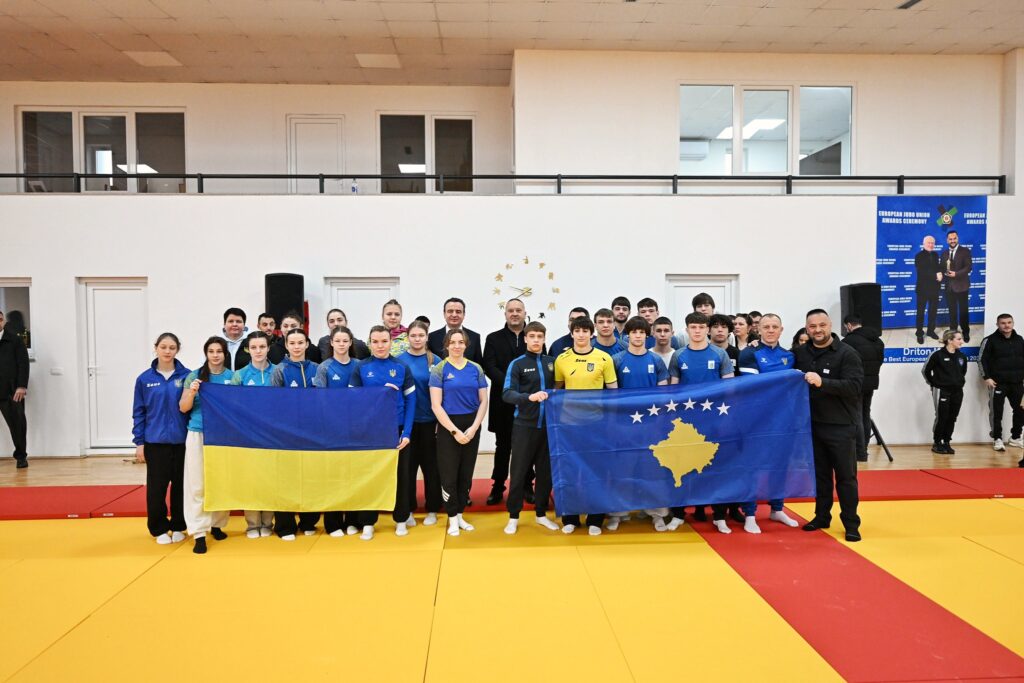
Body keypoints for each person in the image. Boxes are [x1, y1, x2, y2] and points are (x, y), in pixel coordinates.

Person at [793, 309, 863, 543]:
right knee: (820, 476)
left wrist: (823, 382)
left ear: (830, 325)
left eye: (822, 325)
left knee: (846, 478)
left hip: (841, 426)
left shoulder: (847, 353)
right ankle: (822, 517)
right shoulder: (800, 353)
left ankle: (851, 523)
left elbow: (854, 387)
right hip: (812, 426)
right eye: (812, 326)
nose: (817, 330)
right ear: (807, 328)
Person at [667, 312, 735, 532]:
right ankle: (678, 514)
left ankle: (719, 516)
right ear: (687, 330)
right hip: (686, 423)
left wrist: (724, 418)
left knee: (716, 468)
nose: (697, 331)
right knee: (681, 466)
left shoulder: (720, 354)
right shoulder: (678, 355)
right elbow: (673, 390)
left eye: (701, 327)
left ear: (707, 329)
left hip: (714, 420)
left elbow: (729, 389)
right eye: (693, 327)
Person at [350, 325, 415, 539]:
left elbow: (411, 401)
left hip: (396, 429)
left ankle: (401, 519)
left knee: (401, 475)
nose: (380, 346)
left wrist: (407, 433)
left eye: (384, 341)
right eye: (375, 341)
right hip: (370, 430)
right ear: (370, 343)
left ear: (391, 342)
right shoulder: (361, 367)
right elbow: (353, 401)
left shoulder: (401, 367)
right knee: (370, 475)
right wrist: (379, 393)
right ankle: (368, 522)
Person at [554, 316, 617, 535]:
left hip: (596, 424)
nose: (581, 335)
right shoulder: (562, 359)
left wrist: (610, 422)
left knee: (596, 473)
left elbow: (613, 393)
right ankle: (570, 518)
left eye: (585, 331)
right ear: (571, 333)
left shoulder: (604, 358)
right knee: (570, 472)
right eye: (577, 331)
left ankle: (595, 519)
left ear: (592, 333)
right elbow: (557, 391)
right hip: (569, 424)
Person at [737, 313, 800, 532]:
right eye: (766, 327)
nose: (771, 330)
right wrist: (784, 380)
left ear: (781, 330)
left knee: (780, 465)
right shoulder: (749, 353)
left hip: (783, 419)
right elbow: (753, 387)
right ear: (758, 330)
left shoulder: (789, 356)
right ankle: (750, 514)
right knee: (753, 466)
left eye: (775, 327)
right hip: (756, 420)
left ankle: (777, 509)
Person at [609, 316, 670, 531]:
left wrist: (660, 422)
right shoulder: (617, 360)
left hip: (651, 425)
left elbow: (664, 394)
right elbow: (610, 394)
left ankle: (657, 513)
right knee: (622, 469)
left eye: (641, 332)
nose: (637, 336)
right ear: (627, 335)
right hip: (624, 424)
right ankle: (618, 513)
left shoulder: (656, 361)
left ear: (647, 335)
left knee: (653, 470)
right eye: (633, 332)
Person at [503, 321, 561, 534]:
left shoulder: (552, 362)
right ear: (526, 339)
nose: (536, 340)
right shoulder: (517, 364)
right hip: (524, 427)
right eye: (532, 336)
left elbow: (561, 387)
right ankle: (513, 517)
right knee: (518, 472)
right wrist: (529, 397)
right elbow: (507, 393)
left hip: (548, 428)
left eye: (540, 336)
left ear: (544, 339)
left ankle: (541, 514)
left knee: (545, 473)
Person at [132, 332, 190, 544]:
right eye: (163, 347)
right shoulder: (144, 379)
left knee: (181, 487)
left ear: (177, 350)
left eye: (172, 348)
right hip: (155, 443)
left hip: (182, 442)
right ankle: (158, 528)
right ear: (156, 348)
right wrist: (139, 443)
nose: (167, 351)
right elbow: (139, 412)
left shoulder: (187, 376)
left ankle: (179, 525)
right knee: (156, 488)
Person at [429, 328, 488, 537]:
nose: (457, 346)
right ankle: (452, 517)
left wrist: (474, 428)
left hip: (471, 425)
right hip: (449, 427)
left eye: (460, 342)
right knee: (449, 474)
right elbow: (436, 405)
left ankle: (461, 514)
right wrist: (455, 431)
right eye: (452, 342)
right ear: (446, 345)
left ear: (466, 345)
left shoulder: (476, 368)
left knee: (466, 474)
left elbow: (484, 401)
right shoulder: (439, 369)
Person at [178, 336, 234, 554]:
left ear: (225, 354)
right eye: (211, 351)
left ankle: (217, 524)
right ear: (206, 353)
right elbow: (183, 407)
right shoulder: (194, 376)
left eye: (219, 351)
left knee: (221, 482)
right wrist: (192, 392)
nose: (215, 355)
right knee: (197, 483)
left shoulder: (232, 377)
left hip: (223, 435)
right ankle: (199, 532)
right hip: (198, 432)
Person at [313, 325, 364, 536]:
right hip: (332, 430)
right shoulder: (324, 368)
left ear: (350, 343)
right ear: (331, 343)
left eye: (345, 341)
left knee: (353, 475)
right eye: (338, 341)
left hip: (355, 429)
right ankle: (333, 523)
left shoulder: (359, 365)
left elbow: (366, 397)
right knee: (333, 476)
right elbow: (319, 401)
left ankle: (353, 520)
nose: (341, 344)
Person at [270, 329, 321, 539]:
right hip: (287, 434)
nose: (297, 347)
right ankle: (285, 526)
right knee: (286, 480)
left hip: (312, 432)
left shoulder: (317, 369)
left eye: (301, 342)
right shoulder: (279, 370)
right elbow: (274, 404)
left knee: (311, 477)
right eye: (292, 343)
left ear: (307, 344)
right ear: (286, 345)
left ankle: (309, 521)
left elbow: (324, 401)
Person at [482, 298, 531, 506]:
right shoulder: (493, 338)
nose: (514, 313)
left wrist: (524, 391)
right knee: (502, 446)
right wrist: (512, 386)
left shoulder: (533, 335)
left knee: (527, 446)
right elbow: (489, 367)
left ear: (524, 313)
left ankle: (527, 485)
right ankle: (498, 486)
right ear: (505, 314)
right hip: (502, 401)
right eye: (511, 310)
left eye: (518, 310)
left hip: (528, 402)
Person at [229, 331, 276, 538]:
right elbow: (232, 405)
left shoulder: (278, 372)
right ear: (248, 349)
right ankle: (252, 524)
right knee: (251, 479)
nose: (258, 351)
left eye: (262, 347)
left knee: (270, 478)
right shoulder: (240, 375)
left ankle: (268, 522)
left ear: (268, 348)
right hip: (248, 436)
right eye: (254, 347)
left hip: (273, 436)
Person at [398, 320, 442, 525]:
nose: (417, 339)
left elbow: (443, 394)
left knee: (431, 467)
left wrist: (440, 421)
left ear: (427, 337)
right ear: (407, 337)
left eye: (421, 335)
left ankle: (433, 508)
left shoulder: (436, 361)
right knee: (407, 468)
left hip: (430, 421)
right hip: (406, 423)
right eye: (413, 336)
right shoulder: (399, 361)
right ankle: (408, 509)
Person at [978, 313, 1024, 456]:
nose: (1006, 325)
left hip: (1017, 383)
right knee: (996, 412)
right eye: (1003, 323)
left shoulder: (1020, 339)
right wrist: (987, 377)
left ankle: (1015, 437)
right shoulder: (989, 340)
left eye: (1009, 322)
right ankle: (997, 438)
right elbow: (981, 360)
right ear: (998, 324)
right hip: (997, 383)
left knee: (1021, 410)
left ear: (1013, 323)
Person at [843, 314, 884, 462]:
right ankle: (864, 448)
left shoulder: (848, 341)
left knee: (857, 416)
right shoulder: (878, 340)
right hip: (871, 382)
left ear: (848, 325)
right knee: (865, 414)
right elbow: (880, 361)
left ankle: (860, 452)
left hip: (855, 383)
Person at [922, 330, 968, 455]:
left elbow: (962, 372)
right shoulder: (937, 355)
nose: (962, 342)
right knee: (942, 417)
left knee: (952, 417)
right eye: (959, 339)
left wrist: (956, 382)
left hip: (957, 391)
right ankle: (937, 442)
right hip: (941, 390)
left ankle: (946, 442)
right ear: (950, 340)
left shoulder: (962, 357)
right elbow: (925, 371)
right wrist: (934, 383)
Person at [0, 309, 29, 468]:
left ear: (3, 321)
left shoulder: (15, 340)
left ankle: (21, 456)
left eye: (0, 319)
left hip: (11, 391)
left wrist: (21, 386)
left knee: (17, 425)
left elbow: (23, 363)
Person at [428, 297, 483, 364]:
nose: (454, 315)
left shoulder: (474, 337)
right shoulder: (432, 337)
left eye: (458, 312)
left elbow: (479, 365)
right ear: (444, 314)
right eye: (450, 311)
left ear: (464, 314)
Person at [941, 230, 973, 342]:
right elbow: (942, 267)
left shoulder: (965, 251)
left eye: (954, 238)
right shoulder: (944, 253)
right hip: (949, 287)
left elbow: (969, 267)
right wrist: (941, 272)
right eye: (950, 239)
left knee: (963, 311)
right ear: (947, 240)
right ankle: (953, 332)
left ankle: (965, 331)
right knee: (952, 311)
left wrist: (956, 274)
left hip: (962, 286)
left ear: (957, 238)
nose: (952, 241)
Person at [914, 235, 942, 344]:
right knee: (920, 312)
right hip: (922, 289)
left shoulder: (935, 255)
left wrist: (940, 273)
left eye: (932, 243)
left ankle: (930, 331)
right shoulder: (918, 256)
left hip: (934, 289)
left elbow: (937, 267)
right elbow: (922, 271)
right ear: (924, 244)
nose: (931, 245)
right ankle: (919, 333)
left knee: (932, 311)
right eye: (928, 243)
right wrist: (935, 275)